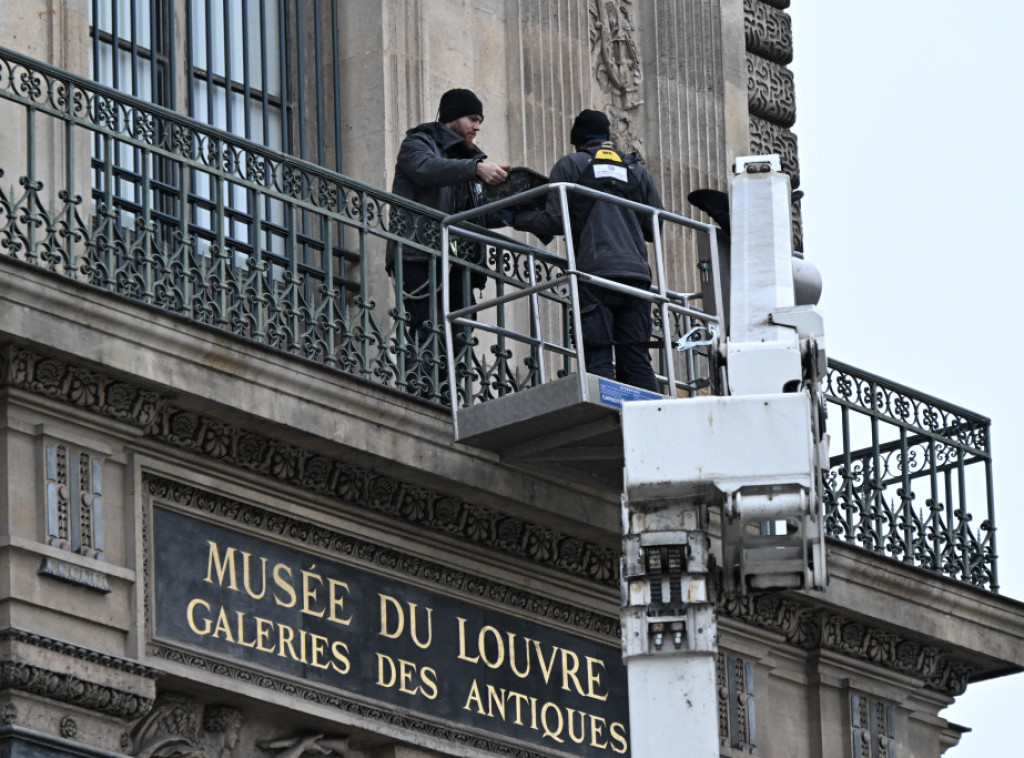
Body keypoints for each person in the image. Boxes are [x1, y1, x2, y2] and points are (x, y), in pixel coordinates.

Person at [513, 109, 662, 391]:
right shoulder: (637, 171)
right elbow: (654, 228)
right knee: (637, 359)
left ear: (577, 141)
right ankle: (649, 421)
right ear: (608, 138)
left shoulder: (571, 166)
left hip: (595, 275)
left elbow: (556, 220)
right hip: (637, 277)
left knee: (599, 355)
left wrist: (515, 217)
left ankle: (607, 418)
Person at [385, 88, 509, 340]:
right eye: (473, 119)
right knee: (430, 329)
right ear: (453, 116)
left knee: (461, 332)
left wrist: (525, 212)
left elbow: (477, 213)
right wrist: (475, 168)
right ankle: (420, 379)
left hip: (454, 259)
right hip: (418, 254)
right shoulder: (417, 143)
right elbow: (426, 169)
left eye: (480, 121)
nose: (477, 127)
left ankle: (439, 380)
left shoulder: (468, 162)